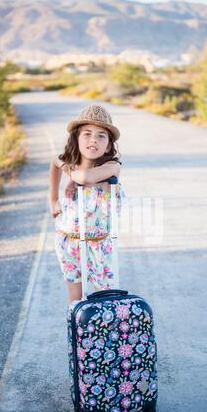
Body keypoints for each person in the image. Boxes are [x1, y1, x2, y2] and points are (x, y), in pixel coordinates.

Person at [49, 105, 126, 304]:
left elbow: (84, 176)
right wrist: (53, 200)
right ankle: (77, 334)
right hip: (68, 241)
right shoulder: (70, 164)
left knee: (108, 299)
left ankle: (105, 334)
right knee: (76, 300)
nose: (94, 139)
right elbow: (55, 162)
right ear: (76, 138)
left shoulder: (111, 167)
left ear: (109, 145)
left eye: (101, 136)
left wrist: (71, 173)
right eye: (87, 133)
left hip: (99, 245)